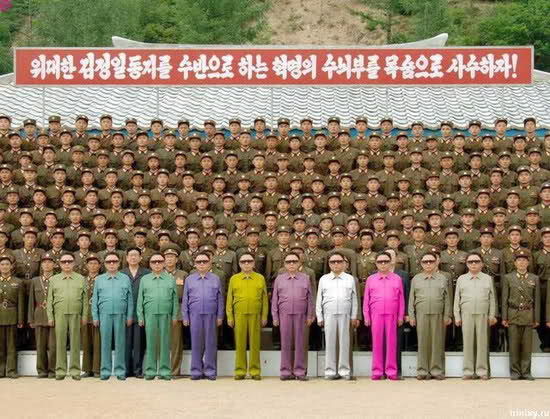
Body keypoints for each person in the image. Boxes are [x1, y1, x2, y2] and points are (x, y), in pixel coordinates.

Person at [408, 252, 452, 380]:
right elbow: (411, 299)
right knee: (422, 342)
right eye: (425, 262)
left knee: (437, 343)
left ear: (436, 262)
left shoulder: (442, 278)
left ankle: (436, 370)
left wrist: (447, 315)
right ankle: (422, 371)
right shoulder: (416, 279)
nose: (428, 264)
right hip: (421, 314)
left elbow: (447, 299)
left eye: (431, 261)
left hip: (438, 314)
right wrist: (411, 316)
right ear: (421, 263)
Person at [271, 252, 315, 381]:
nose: (291, 264)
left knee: (300, 343)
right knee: (285, 343)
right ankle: (285, 371)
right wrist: (275, 316)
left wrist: (310, 315)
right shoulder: (279, 279)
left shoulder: (305, 278)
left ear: (299, 263)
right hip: (284, 315)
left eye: (294, 261)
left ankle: (300, 371)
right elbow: (274, 299)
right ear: (284, 264)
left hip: (301, 315)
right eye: (288, 262)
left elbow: (310, 298)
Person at [316, 251, 359, 380]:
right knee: (330, 343)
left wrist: (354, 315)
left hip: (345, 314)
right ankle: (330, 371)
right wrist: (319, 316)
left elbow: (354, 299)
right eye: (333, 262)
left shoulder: (350, 279)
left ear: (344, 263)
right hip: (329, 314)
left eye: (339, 261)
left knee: (344, 343)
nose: (336, 264)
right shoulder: (324, 279)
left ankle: (344, 371)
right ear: (329, 264)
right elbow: (319, 299)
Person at [454, 252, 497, 380]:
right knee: (467, 343)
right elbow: (457, 298)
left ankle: (482, 371)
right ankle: (468, 371)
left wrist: (492, 315)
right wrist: (457, 316)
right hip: (466, 314)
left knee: (482, 343)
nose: (473, 264)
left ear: (482, 264)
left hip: (483, 314)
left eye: (477, 261)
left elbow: (492, 298)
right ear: (466, 264)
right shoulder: (461, 279)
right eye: (470, 262)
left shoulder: (487, 278)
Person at [181, 252, 224, 380]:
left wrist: (220, 316)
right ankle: (196, 371)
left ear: (210, 263)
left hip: (211, 315)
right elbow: (185, 298)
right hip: (194, 315)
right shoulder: (189, 279)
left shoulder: (216, 278)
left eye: (204, 261)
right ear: (195, 264)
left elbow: (220, 298)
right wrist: (185, 316)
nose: (201, 264)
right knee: (196, 344)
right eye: (199, 262)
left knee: (211, 343)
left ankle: (210, 371)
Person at [91, 252, 134, 380]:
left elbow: (130, 299)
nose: (111, 264)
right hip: (104, 315)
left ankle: (120, 371)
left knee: (120, 343)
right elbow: (95, 299)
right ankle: (105, 371)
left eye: (114, 261)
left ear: (119, 263)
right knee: (105, 344)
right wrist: (95, 316)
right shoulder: (99, 279)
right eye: (108, 262)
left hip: (121, 314)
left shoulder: (125, 278)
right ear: (104, 264)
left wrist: (129, 316)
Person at [226, 252, 268, 380]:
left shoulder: (260, 278)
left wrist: (264, 316)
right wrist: (230, 316)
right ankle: (240, 371)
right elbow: (229, 299)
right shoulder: (234, 279)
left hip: (255, 314)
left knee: (255, 343)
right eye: (243, 262)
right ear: (239, 264)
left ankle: (255, 371)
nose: (246, 264)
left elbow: (264, 299)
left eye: (249, 261)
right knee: (240, 344)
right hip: (239, 315)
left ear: (254, 263)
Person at [46, 252, 88, 380]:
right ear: (60, 264)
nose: (67, 264)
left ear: (74, 263)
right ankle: (60, 371)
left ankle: (75, 371)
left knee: (75, 343)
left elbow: (85, 299)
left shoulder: (81, 279)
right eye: (64, 262)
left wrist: (84, 315)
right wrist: (50, 317)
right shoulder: (54, 279)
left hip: (76, 314)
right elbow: (49, 299)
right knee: (60, 343)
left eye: (69, 261)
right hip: (59, 314)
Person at [363, 251, 405, 380]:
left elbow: (401, 299)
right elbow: (366, 299)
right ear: (376, 263)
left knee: (391, 343)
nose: (383, 264)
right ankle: (377, 371)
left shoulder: (397, 278)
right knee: (377, 343)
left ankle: (391, 371)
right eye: (380, 262)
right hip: (376, 314)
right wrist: (366, 316)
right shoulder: (371, 279)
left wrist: (400, 316)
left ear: (390, 262)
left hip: (392, 315)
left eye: (385, 261)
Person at [136, 253, 179, 380]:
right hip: (149, 314)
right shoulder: (145, 279)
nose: (157, 264)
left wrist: (174, 315)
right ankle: (150, 371)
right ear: (150, 264)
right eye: (154, 262)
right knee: (150, 343)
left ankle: (165, 371)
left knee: (165, 343)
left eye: (160, 261)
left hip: (166, 314)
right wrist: (140, 316)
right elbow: (140, 298)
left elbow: (174, 299)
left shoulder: (170, 279)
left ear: (164, 263)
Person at [501, 250, 540, 380]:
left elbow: (537, 300)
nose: (522, 262)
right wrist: (504, 317)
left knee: (527, 346)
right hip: (513, 314)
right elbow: (504, 299)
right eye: (519, 260)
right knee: (513, 345)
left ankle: (526, 372)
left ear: (528, 263)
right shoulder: (508, 278)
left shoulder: (534, 278)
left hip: (528, 315)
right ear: (515, 263)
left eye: (524, 260)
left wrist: (536, 318)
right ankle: (515, 372)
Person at [121, 247, 150, 378]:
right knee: (126, 343)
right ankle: (126, 370)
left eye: (135, 255)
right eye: (130, 255)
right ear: (127, 258)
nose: (133, 257)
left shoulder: (146, 273)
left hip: (140, 314)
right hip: (125, 313)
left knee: (139, 343)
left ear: (140, 258)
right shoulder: (121, 274)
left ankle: (138, 370)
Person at [28, 253, 56, 378]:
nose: (47, 264)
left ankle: (52, 370)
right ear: (41, 265)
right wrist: (31, 319)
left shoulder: (58, 279)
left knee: (53, 346)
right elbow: (31, 301)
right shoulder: (35, 281)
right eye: (44, 262)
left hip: (54, 316)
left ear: (54, 264)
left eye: (49, 262)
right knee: (40, 346)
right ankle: (41, 370)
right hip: (39, 315)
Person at [0, 256, 24, 378]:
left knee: (12, 346)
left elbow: (21, 302)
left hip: (12, 316)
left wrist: (20, 319)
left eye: (7, 264)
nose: (4, 266)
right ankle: (0, 370)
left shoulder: (18, 282)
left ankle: (11, 370)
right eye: (2, 264)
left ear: (11, 266)